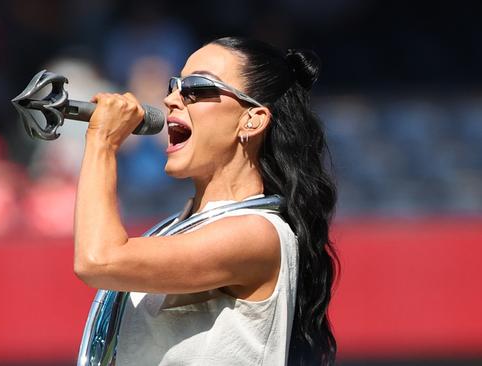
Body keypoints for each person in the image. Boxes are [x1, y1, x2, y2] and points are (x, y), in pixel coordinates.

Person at [73, 36, 339, 366]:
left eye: (196, 88)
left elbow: (99, 260)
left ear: (252, 119)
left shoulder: (256, 233)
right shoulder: (176, 228)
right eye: (174, 85)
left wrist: (102, 142)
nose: (171, 99)